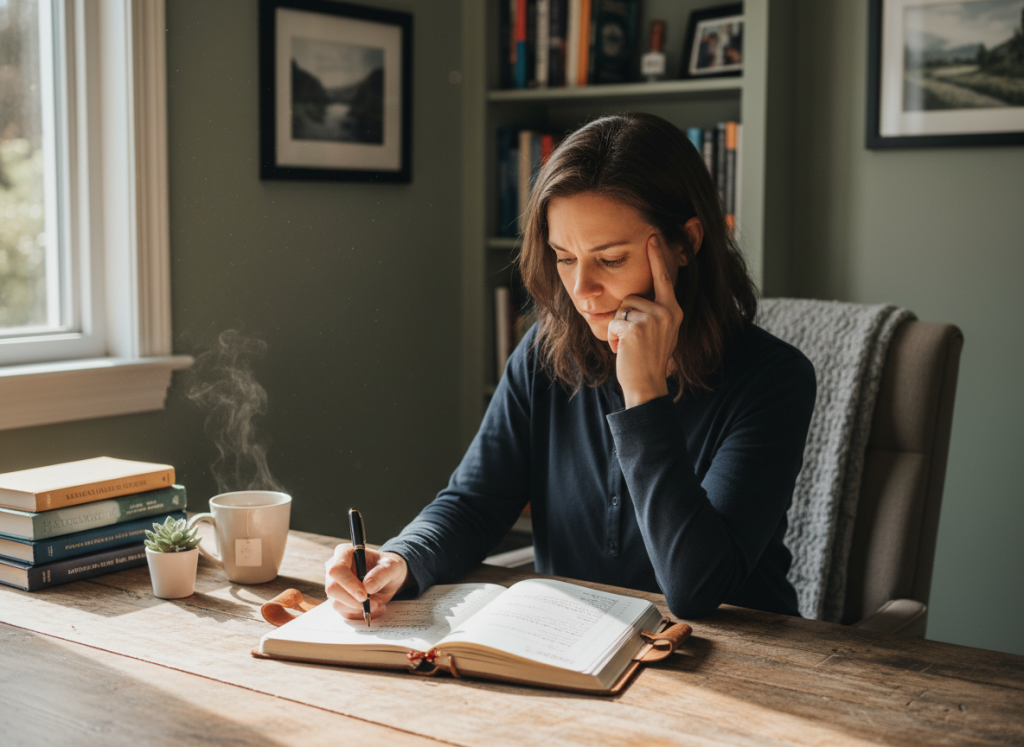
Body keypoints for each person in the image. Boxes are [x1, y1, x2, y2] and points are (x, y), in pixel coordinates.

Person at [325, 112, 816, 621]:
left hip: (736, 653)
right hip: (571, 643)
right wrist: (402, 558)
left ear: (686, 243)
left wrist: (644, 395)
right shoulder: (545, 352)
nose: (581, 291)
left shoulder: (775, 380)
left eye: (610, 259)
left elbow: (696, 589)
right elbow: (475, 503)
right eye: (564, 257)